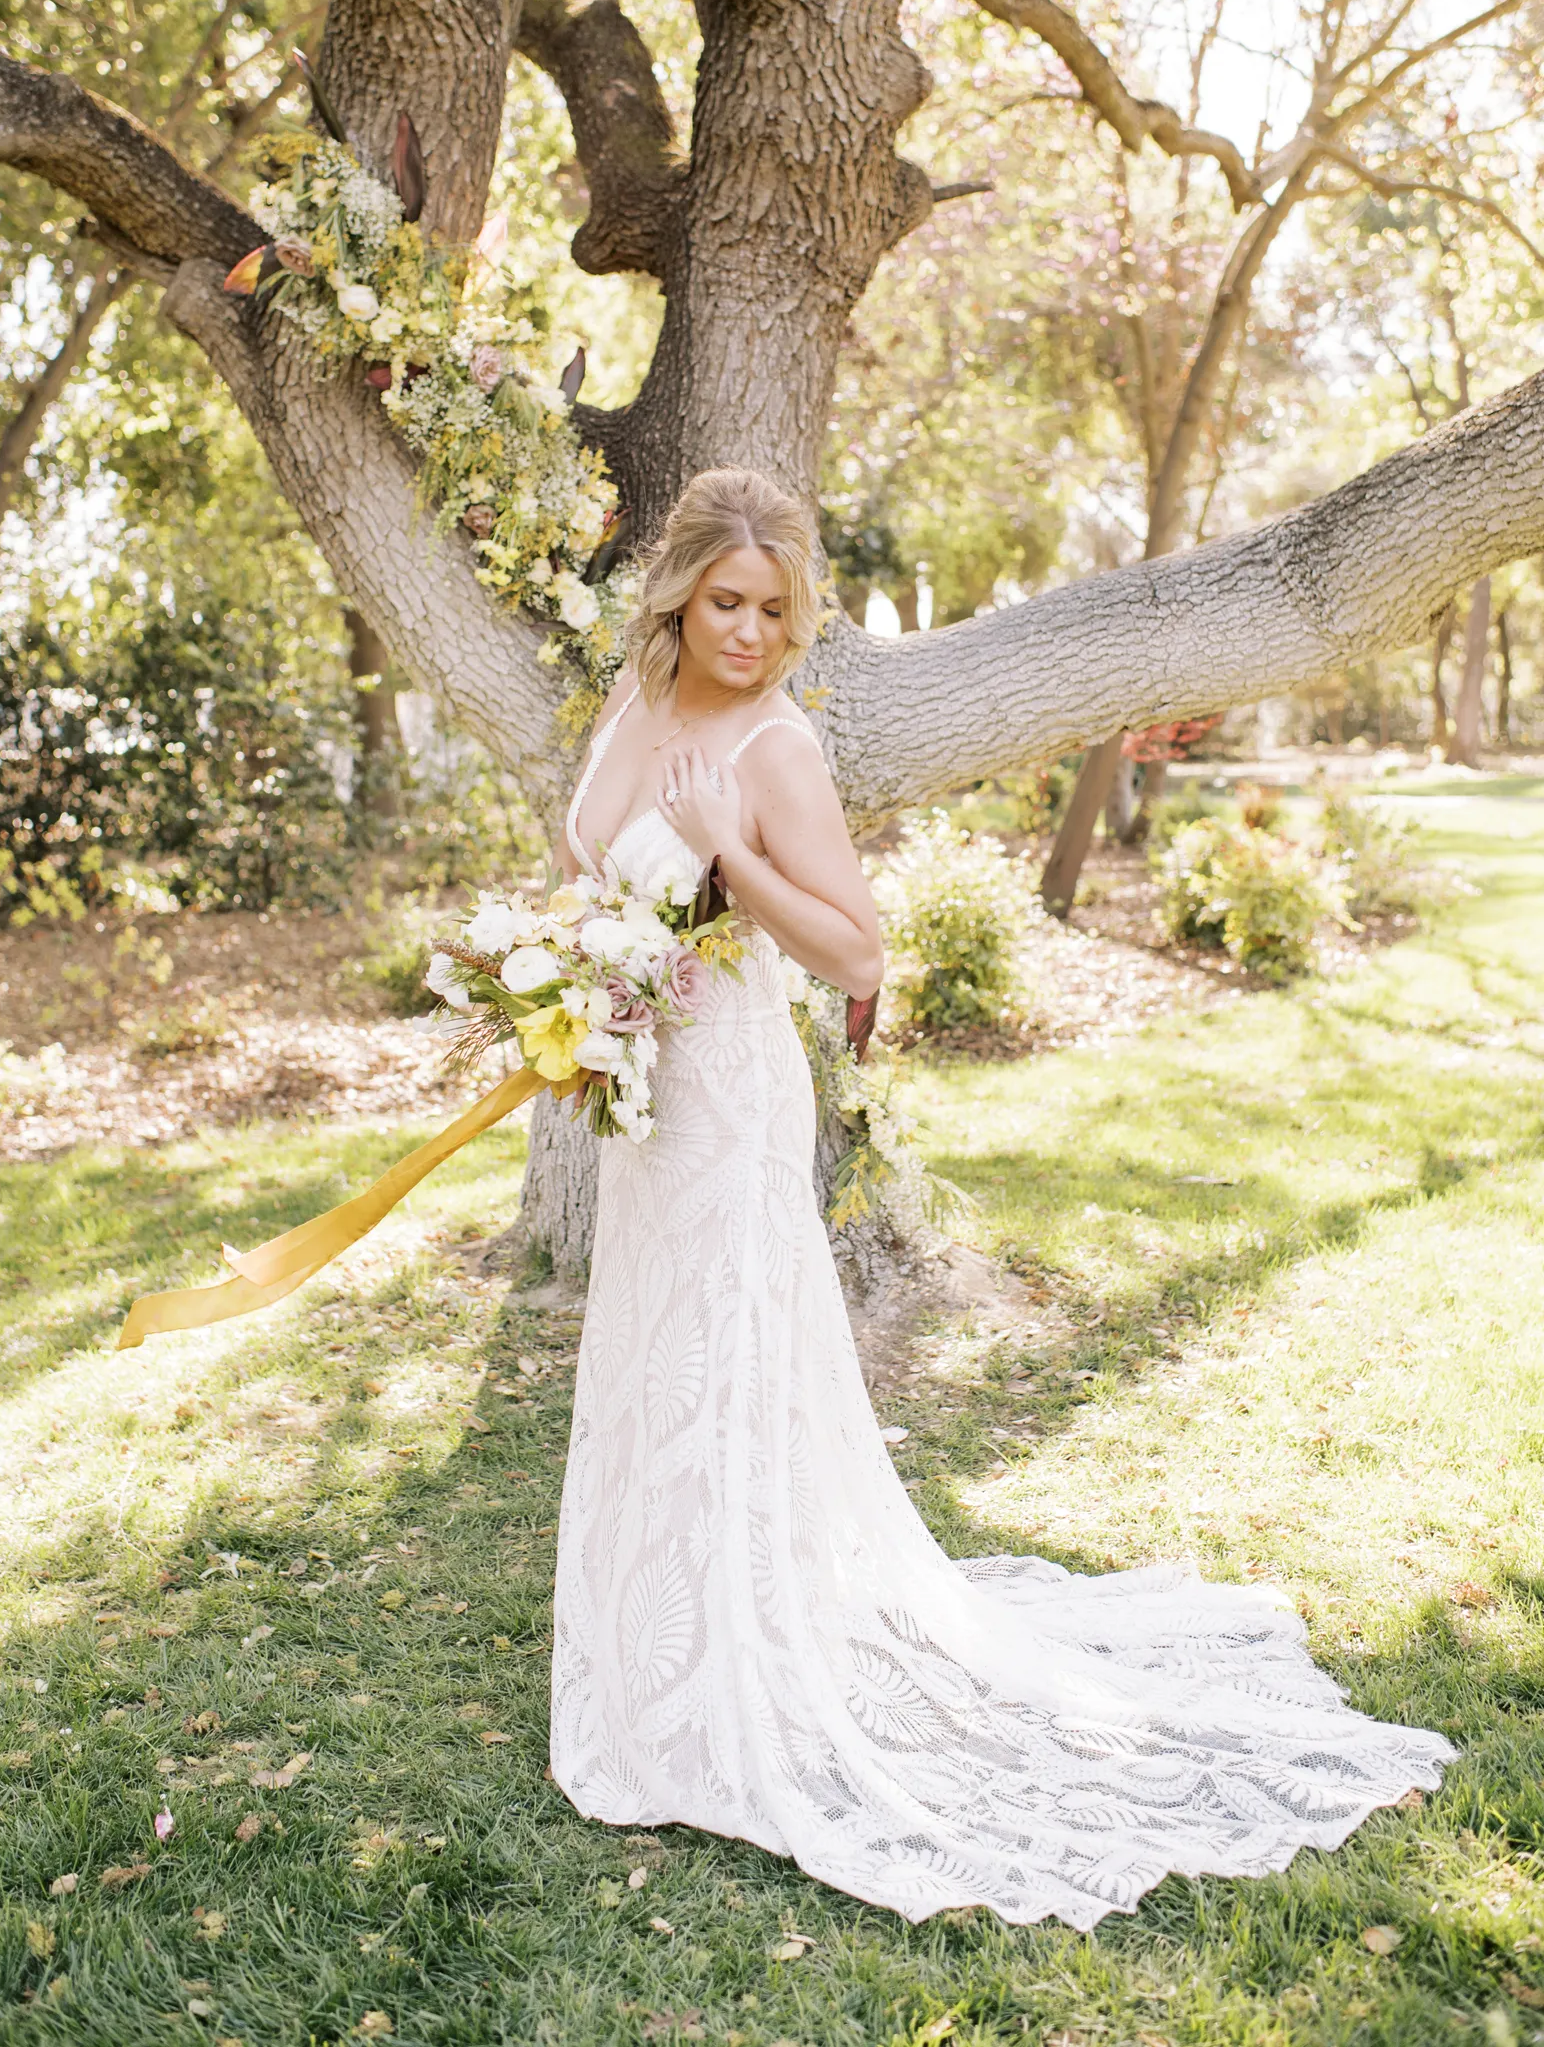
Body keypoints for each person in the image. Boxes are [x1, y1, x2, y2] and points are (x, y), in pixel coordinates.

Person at [546, 465, 1451, 1929]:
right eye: (727, 601)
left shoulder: (777, 749)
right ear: (677, 595)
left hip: (730, 1095)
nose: (751, 632)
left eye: (776, 610)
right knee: (652, 1361)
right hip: (643, 1092)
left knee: (728, 1365)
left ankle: (740, 1665)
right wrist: (565, 980)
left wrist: (726, 857)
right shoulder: (634, 706)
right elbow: (587, 862)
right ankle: (651, 1651)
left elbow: (855, 952)